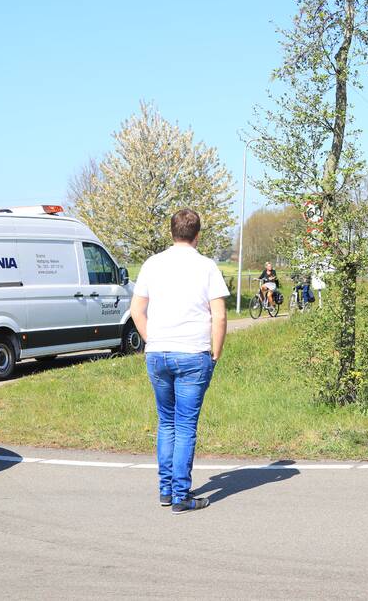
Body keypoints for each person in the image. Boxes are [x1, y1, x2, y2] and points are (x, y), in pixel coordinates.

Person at [131, 209, 229, 515]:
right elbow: (220, 315)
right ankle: (181, 495)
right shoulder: (207, 266)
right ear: (198, 234)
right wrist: (216, 351)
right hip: (193, 353)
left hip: (158, 353)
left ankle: (165, 489)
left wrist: (152, 340)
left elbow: (137, 310)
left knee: (166, 422)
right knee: (185, 425)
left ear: (171, 232)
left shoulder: (152, 264)